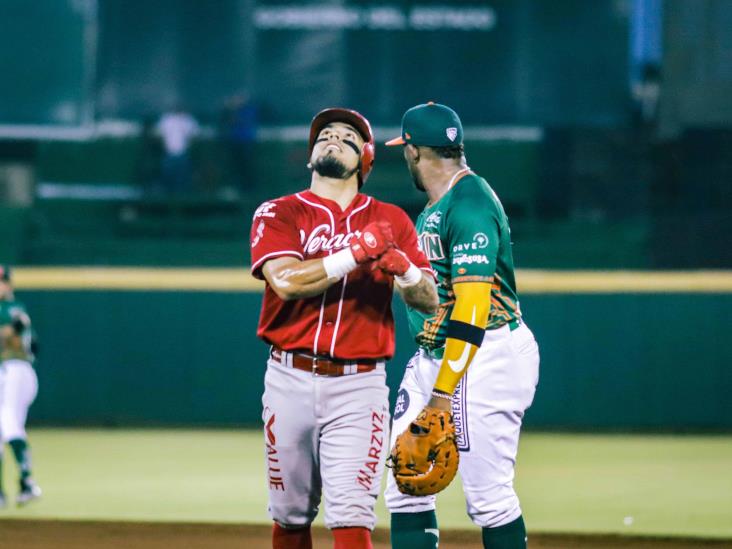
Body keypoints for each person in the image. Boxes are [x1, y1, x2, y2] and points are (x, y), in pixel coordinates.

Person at [249, 107, 438, 549]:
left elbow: (430, 299)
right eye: (324, 134)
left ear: (365, 159)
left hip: (358, 386)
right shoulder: (279, 212)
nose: (333, 138)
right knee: (290, 516)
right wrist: (354, 254)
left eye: (347, 136)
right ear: (310, 155)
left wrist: (408, 273)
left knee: (353, 515)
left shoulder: (392, 219)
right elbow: (286, 282)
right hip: (288, 379)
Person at [383, 103, 540, 549]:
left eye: (405, 149)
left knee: (488, 498)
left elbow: (473, 308)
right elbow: (435, 297)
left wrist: (440, 396)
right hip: (439, 353)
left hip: (485, 351)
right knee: (406, 483)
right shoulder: (437, 206)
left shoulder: (469, 202)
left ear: (413, 151)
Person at [0, 265, 41, 508]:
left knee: (9, 423)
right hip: (11, 370)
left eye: (2, 281)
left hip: (16, 370)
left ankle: (28, 482)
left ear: (8, 284)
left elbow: (14, 337)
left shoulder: (11, 307)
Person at [155, 104, 200, 193]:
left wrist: (189, 146)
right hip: (169, 153)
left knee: (182, 178)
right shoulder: (167, 119)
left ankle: (181, 196)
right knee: (168, 176)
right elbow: (158, 134)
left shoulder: (188, 120)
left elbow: (195, 135)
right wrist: (163, 146)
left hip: (183, 153)